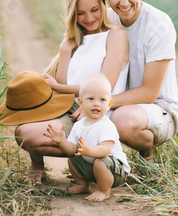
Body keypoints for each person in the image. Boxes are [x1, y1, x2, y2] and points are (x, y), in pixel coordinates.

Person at [13, 0, 129, 185]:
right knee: (23, 133)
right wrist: (65, 52)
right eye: (80, 13)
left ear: (103, 5)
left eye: (94, 9)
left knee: (32, 134)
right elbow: (62, 90)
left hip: (95, 109)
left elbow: (106, 85)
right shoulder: (74, 39)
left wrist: (63, 89)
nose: (89, 18)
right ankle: (39, 165)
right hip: (69, 108)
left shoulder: (115, 34)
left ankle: (88, 164)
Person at [102, 0, 178, 162]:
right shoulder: (106, 20)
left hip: (159, 109)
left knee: (122, 121)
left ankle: (148, 153)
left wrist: (102, 103)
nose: (124, 2)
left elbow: (149, 92)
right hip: (115, 104)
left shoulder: (159, 25)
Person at [44, 74, 130, 202]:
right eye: (90, 99)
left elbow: (105, 150)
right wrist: (61, 141)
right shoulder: (79, 125)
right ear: (81, 102)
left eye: (102, 100)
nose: (96, 104)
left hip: (115, 172)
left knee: (100, 161)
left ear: (109, 104)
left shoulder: (106, 125)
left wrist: (87, 150)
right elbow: (71, 149)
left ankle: (104, 190)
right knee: (72, 157)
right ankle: (82, 184)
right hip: (93, 168)